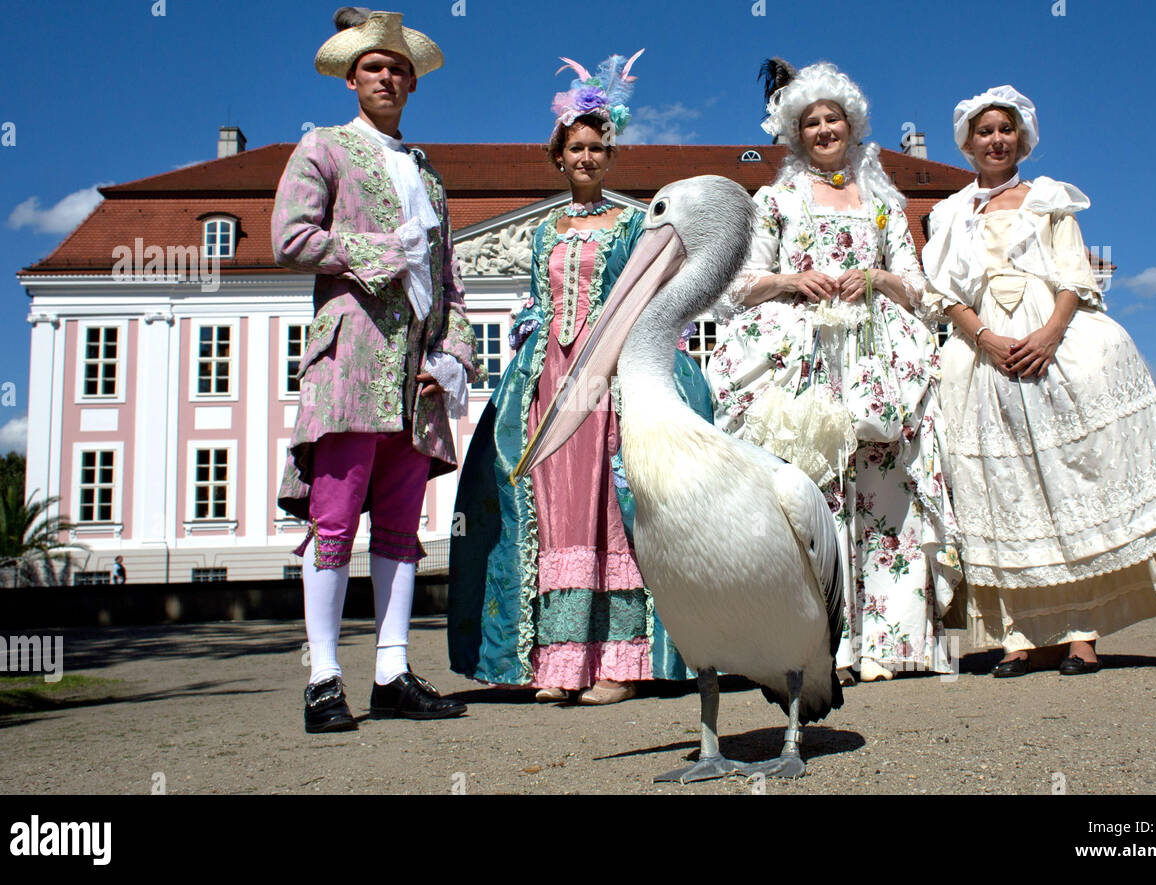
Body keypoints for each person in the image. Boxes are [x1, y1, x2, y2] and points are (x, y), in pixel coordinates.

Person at [448, 52, 708, 704]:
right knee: (555, 514)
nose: (587, 157)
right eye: (577, 148)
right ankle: (561, 664)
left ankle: (620, 663)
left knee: (610, 511)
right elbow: (540, 304)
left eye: (598, 147)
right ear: (558, 157)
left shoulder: (631, 225)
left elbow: (647, 301)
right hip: (550, 382)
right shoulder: (541, 233)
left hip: (609, 379)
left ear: (609, 157)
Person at [921, 85, 1156, 677]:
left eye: (1005, 129)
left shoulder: (1047, 198)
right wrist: (984, 339)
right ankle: (1017, 636)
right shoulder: (948, 213)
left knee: (1069, 480)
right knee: (1002, 485)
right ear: (967, 144)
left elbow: (1075, 276)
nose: (995, 140)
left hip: (1048, 333)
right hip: (983, 348)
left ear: (1022, 138)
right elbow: (941, 293)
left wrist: (1050, 334)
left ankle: (1082, 633)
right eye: (984, 131)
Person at [705, 60, 963, 683]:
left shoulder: (883, 200)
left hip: (877, 356)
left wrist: (877, 278)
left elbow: (916, 283)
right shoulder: (776, 200)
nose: (824, 130)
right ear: (796, 133)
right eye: (811, 122)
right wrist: (793, 279)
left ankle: (891, 645)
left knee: (885, 492)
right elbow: (736, 284)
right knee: (815, 494)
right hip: (802, 355)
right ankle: (822, 650)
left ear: (852, 126)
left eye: (833, 119)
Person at [274, 8, 481, 732]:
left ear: (412, 82)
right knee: (333, 523)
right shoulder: (323, 148)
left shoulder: (431, 174)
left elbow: (450, 280)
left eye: (397, 68)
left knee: (398, 527)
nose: (386, 76)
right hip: (351, 361)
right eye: (373, 67)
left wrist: (453, 354)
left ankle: (391, 670)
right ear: (353, 78)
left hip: (416, 377)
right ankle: (324, 678)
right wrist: (379, 251)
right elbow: (292, 237)